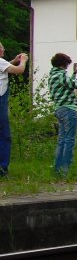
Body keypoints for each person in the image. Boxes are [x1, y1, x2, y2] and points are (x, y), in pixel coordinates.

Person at [48, 54, 77, 178]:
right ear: (63, 64)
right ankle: (65, 171)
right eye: (67, 64)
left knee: (62, 140)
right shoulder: (61, 74)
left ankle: (57, 169)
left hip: (59, 109)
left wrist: (74, 74)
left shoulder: (53, 75)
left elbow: (66, 85)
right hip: (68, 109)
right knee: (70, 140)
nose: (67, 67)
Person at [0, 42, 29, 177]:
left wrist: (14, 61)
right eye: (1, 47)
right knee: (4, 135)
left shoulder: (2, 63)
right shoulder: (0, 62)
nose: (4, 49)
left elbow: (5, 67)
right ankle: (3, 168)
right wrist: (22, 61)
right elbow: (19, 71)